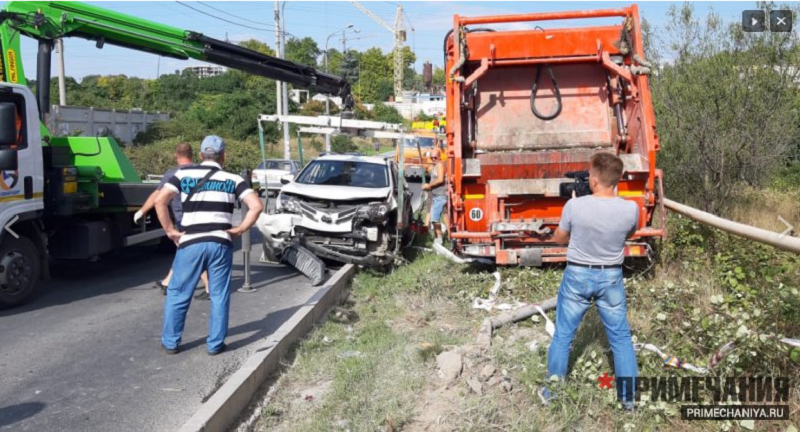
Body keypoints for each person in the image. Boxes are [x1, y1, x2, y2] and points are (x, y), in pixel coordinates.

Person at [539, 152, 639, 409]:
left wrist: (574, 209)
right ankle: (629, 400)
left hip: (578, 275)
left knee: (563, 336)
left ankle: (552, 393)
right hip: (611, 277)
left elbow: (560, 239)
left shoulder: (575, 206)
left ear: (593, 179)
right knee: (620, 339)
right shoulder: (631, 209)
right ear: (617, 180)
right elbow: (630, 232)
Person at [154, 135, 263, 355]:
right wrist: (239, 230)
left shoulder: (182, 174)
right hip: (220, 243)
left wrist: (170, 231)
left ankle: (171, 342)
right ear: (224, 156)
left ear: (201, 155)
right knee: (219, 293)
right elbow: (256, 206)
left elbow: (160, 200)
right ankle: (215, 344)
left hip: (190, 242)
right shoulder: (232, 179)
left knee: (178, 293)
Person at [135, 143, 210, 300]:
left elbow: (158, 196)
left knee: (191, 251)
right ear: (194, 155)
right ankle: (167, 282)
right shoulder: (202, 172)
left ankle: (209, 288)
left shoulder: (173, 174)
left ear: (176, 155)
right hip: (202, 216)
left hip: (184, 220)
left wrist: (142, 211)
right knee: (183, 250)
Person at [421, 148, 446, 243]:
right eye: (432, 157)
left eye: (435, 157)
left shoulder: (439, 165)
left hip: (440, 196)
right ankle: (438, 238)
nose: (433, 159)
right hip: (436, 196)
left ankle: (439, 239)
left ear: (439, 157)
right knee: (434, 218)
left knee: (435, 219)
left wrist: (429, 185)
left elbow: (440, 179)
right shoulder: (435, 165)